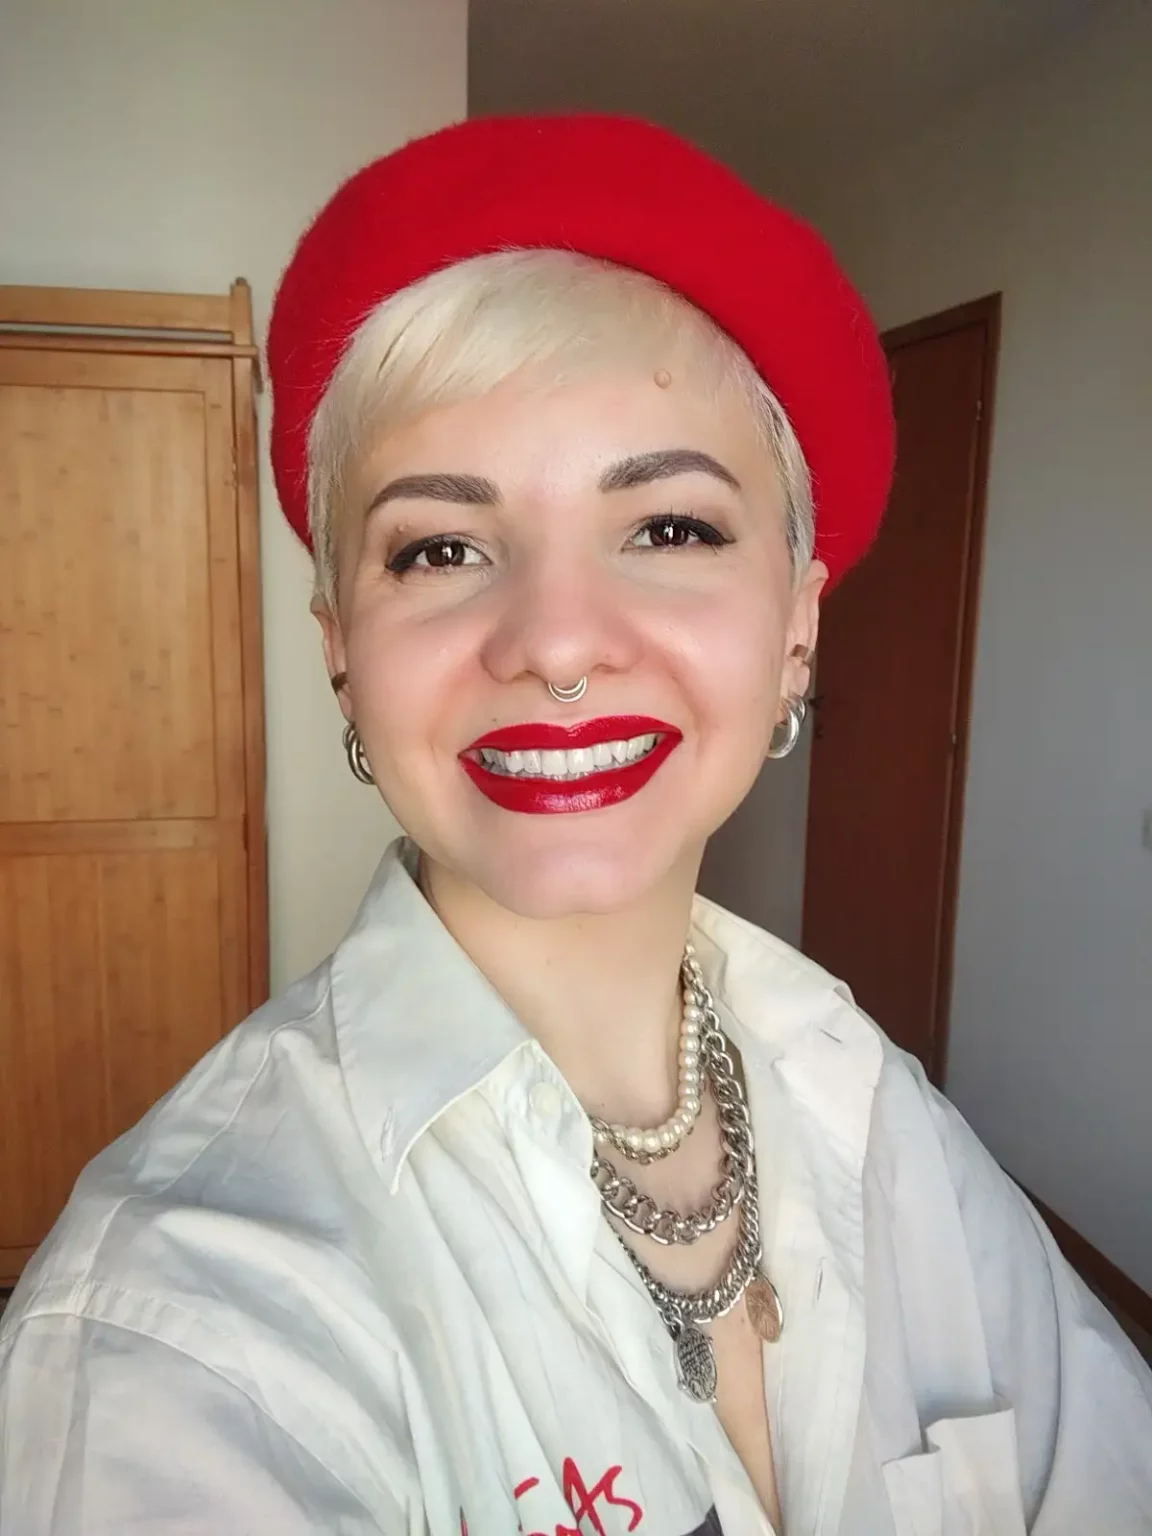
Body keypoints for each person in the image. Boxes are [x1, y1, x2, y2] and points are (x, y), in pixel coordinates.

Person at [1, 114, 1149, 1536]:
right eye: (440, 547)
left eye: (669, 528)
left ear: (796, 625)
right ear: (342, 651)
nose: (554, 641)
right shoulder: (181, 1322)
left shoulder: (870, 1101)